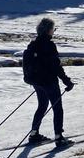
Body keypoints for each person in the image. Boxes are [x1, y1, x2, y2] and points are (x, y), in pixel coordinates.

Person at [27, 17, 75, 147]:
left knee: (42, 106)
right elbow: (56, 66)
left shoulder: (33, 44)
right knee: (57, 108)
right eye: (53, 29)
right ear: (48, 30)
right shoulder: (49, 45)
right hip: (49, 82)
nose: (53, 31)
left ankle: (34, 134)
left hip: (37, 82)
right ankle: (59, 138)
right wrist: (67, 81)